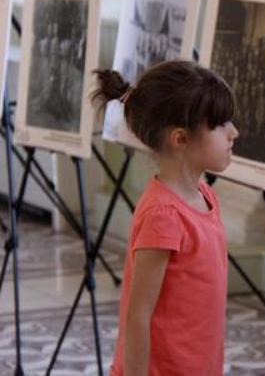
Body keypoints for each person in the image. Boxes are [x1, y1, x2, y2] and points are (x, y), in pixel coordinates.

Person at [91, 60, 239, 376]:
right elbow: (138, 315)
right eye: (220, 125)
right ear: (181, 139)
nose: (233, 133)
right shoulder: (164, 217)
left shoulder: (204, 196)